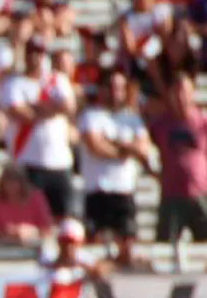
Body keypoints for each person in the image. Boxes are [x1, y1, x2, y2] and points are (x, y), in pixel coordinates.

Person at [79, 68, 151, 270]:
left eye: (119, 88)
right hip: (98, 190)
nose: (115, 92)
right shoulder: (91, 116)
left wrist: (113, 143)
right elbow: (96, 147)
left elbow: (142, 148)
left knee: (127, 246)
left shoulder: (132, 119)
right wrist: (125, 149)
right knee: (95, 245)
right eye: (111, 87)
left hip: (123, 191)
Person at [0, 37, 77, 219]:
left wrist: (36, 107)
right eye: (32, 52)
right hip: (29, 160)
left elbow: (68, 106)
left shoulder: (57, 80)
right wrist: (52, 108)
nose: (36, 58)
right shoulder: (14, 83)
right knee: (31, 214)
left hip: (59, 162)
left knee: (62, 214)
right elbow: (19, 113)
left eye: (40, 53)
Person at [149, 74, 207, 245]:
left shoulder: (203, 122)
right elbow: (145, 149)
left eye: (185, 91)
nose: (181, 97)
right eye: (177, 92)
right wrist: (154, 171)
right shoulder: (160, 124)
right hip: (171, 193)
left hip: (200, 192)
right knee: (164, 245)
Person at [0, 163, 55, 246]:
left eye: (15, 181)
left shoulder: (36, 198)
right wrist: (7, 233)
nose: (12, 186)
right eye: (8, 181)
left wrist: (31, 231)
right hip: (4, 247)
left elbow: (47, 229)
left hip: (34, 246)